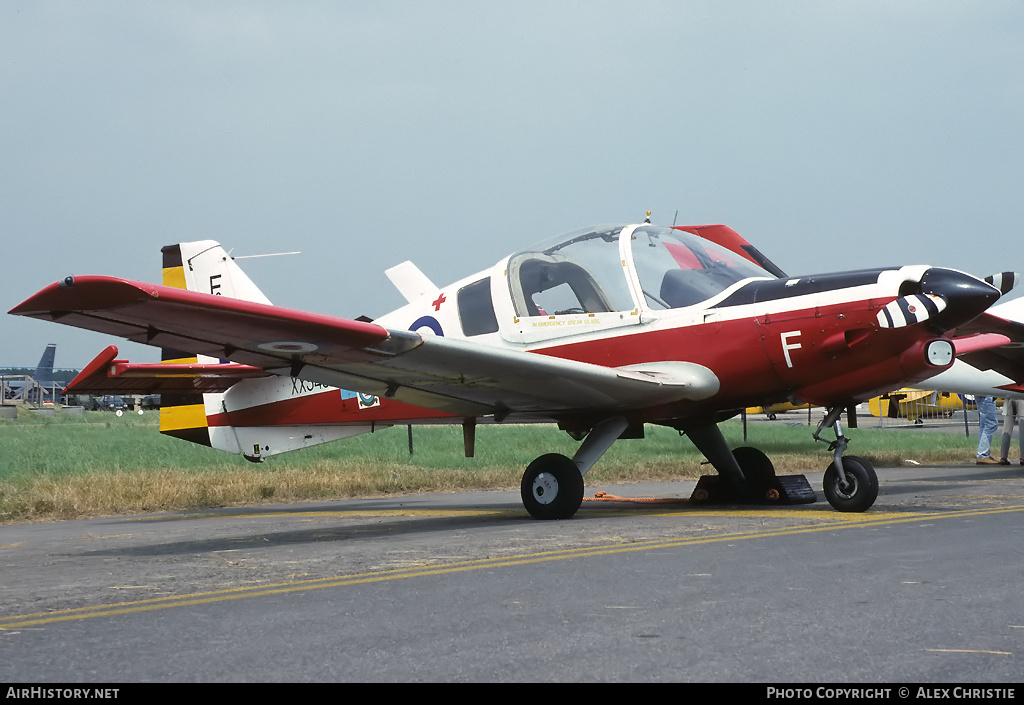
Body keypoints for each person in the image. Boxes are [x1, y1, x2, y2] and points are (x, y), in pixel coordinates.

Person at [998, 398, 1024, 465]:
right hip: (1021, 397)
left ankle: (1003, 457)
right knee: (1022, 426)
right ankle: (1023, 457)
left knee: (1007, 427)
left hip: (1009, 397)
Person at [976, 396, 999, 464]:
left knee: (984, 424)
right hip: (986, 395)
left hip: (982, 393)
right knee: (991, 424)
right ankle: (982, 454)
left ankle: (983, 453)